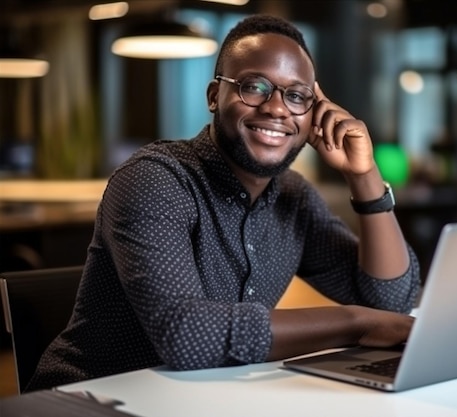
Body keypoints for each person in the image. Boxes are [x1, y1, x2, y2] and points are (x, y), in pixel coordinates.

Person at [26, 14, 421, 391]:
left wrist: (363, 176)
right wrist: (355, 323)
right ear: (216, 95)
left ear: (312, 114)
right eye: (254, 87)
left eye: (297, 95)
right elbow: (186, 335)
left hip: (205, 399)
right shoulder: (155, 180)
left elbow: (391, 301)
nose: (277, 107)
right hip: (88, 398)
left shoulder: (294, 197)